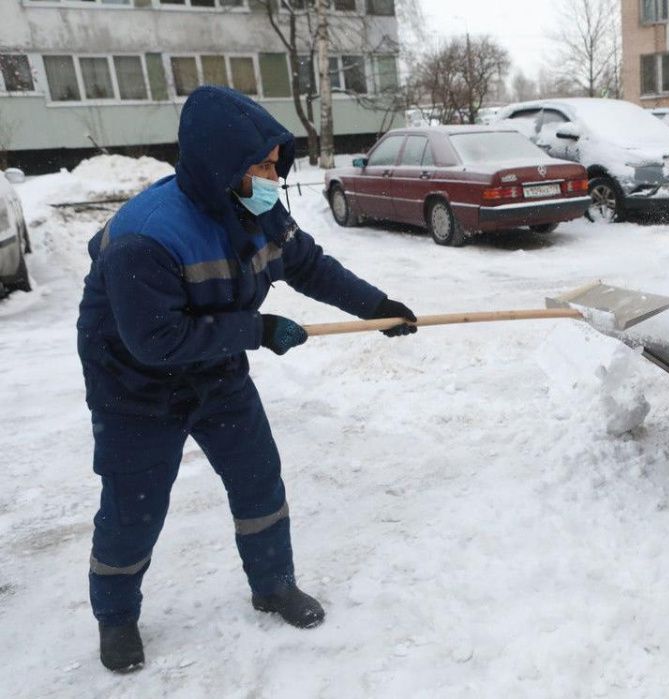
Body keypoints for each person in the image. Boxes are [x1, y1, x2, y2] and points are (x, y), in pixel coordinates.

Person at [76, 86, 419, 673]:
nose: (270, 176)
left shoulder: (257, 210)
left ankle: (273, 584)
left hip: (216, 369)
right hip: (134, 385)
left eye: (273, 164)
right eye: (258, 166)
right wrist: (256, 330)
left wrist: (375, 307)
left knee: (258, 477)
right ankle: (116, 617)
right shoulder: (147, 237)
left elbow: (308, 265)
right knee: (134, 509)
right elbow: (155, 341)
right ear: (219, 167)